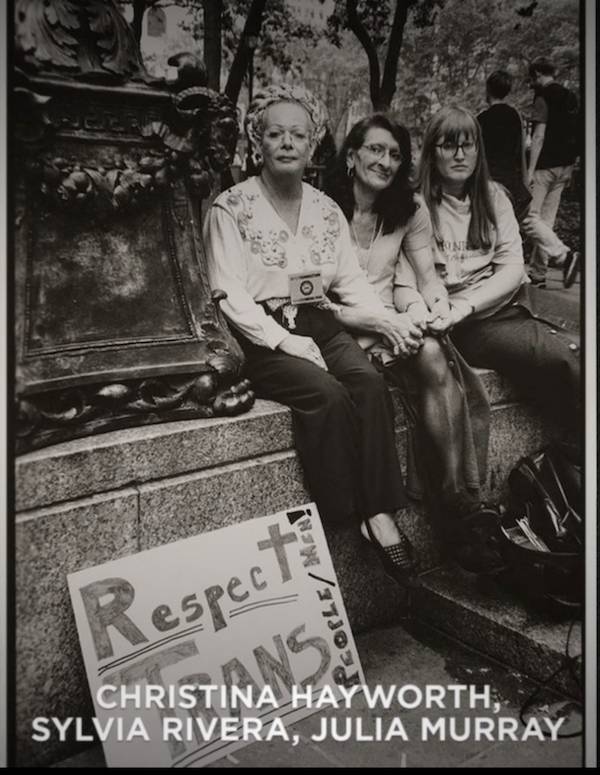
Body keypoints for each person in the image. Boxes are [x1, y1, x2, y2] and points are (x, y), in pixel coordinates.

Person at [204, 84, 423, 585]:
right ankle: (346, 514)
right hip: (259, 334)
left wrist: (387, 321)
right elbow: (228, 294)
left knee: (368, 383)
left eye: (297, 134)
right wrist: (285, 342)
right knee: (326, 395)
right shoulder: (230, 207)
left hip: (319, 321)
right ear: (257, 141)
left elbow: (348, 281)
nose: (286, 143)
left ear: (313, 143)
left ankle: (381, 515)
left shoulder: (326, 210)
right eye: (275, 133)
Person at [325, 113, 502, 574]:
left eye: (395, 154)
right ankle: (453, 506)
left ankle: (456, 498)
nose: (385, 162)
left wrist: (434, 311)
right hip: (335, 326)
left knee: (434, 355)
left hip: (390, 321)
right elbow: (312, 300)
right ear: (352, 155)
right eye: (375, 150)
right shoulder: (321, 206)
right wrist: (384, 322)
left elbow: (426, 279)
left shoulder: (409, 209)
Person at [395, 106, 580, 448]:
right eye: (449, 145)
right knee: (562, 358)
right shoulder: (415, 205)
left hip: (503, 303)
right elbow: (405, 281)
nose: (460, 155)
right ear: (431, 152)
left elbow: (513, 267)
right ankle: (577, 452)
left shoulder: (494, 196)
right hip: (466, 324)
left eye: (469, 145)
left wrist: (467, 303)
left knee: (583, 345)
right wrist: (448, 310)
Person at [477, 69, 578, 288]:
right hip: (513, 182)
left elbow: (478, 157)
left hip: (491, 183)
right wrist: (525, 180)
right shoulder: (516, 117)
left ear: (488, 90)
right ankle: (555, 261)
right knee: (528, 221)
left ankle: (506, 278)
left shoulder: (481, 120)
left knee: (499, 229)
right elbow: (520, 150)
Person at [526, 57, 581, 287]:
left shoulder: (543, 97)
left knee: (529, 218)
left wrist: (529, 170)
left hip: (544, 167)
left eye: (532, 77)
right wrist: (572, 164)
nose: (532, 82)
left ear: (538, 73)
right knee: (546, 222)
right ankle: (538, 275)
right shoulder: (571, 97)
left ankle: (564, 255)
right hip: (566, 166)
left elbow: (538, 136)